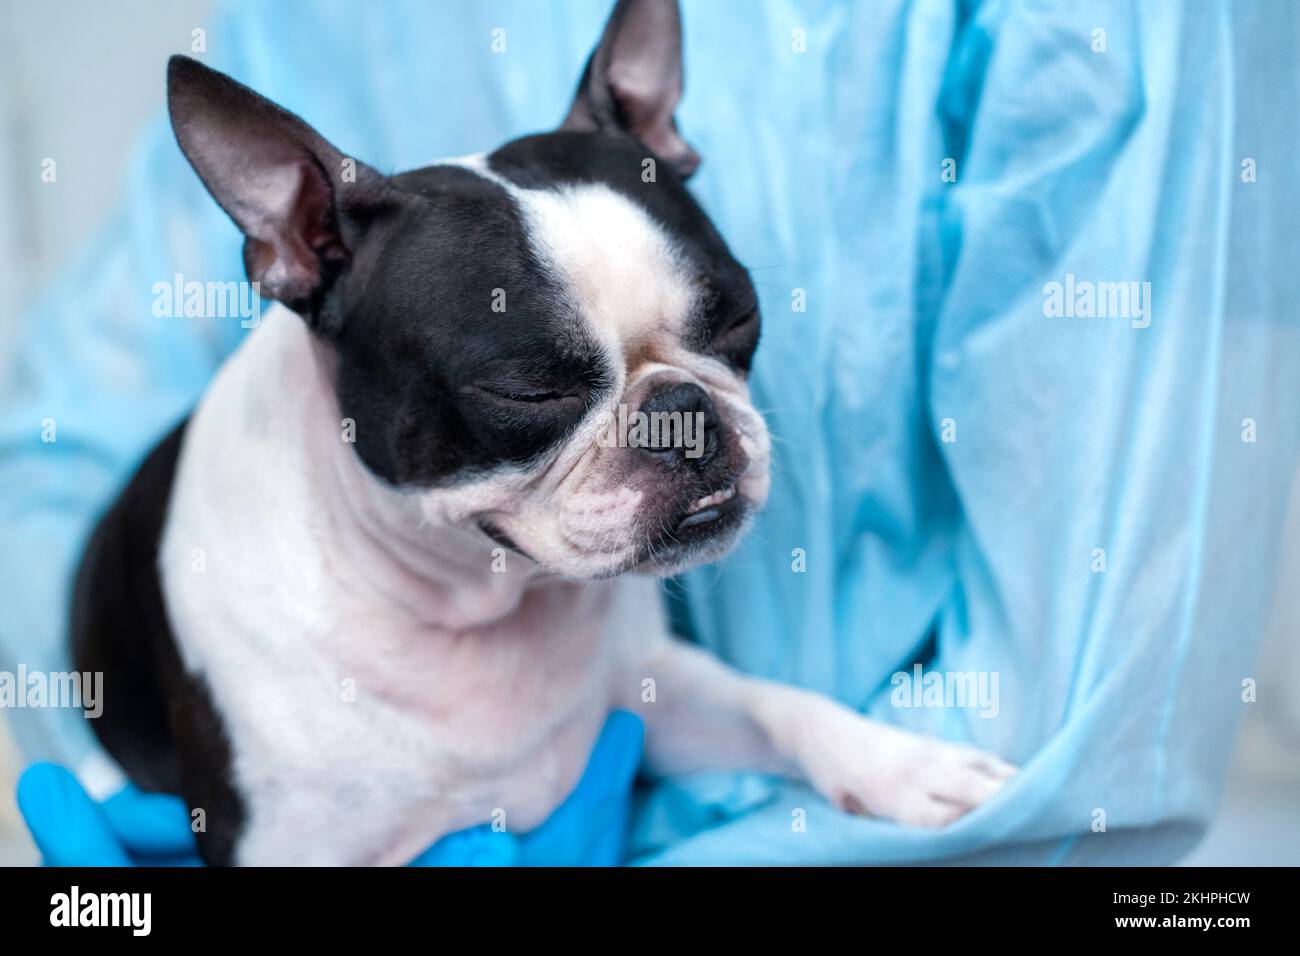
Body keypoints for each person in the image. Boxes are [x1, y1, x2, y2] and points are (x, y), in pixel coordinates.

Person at [4, 0, 1298, 866]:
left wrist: (827, 749)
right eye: (531, 396)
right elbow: (55, 440)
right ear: (301, 252)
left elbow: (649, 690)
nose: (681, 433)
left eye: (719, 330)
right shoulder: (251, 588)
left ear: (654, 123)